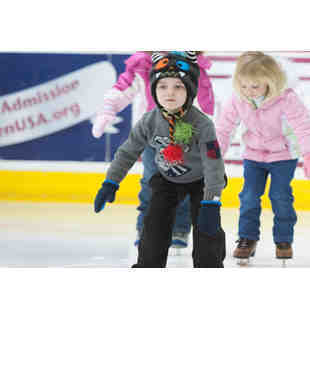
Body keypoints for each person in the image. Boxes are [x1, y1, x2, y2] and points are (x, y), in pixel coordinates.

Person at [93, 52, 227, 268]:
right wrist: (111, 181)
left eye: (178, 87)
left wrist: (212, 200)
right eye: (162, 86)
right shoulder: (149, 121)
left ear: (190, 90)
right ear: (153, 90)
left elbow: (214, 165)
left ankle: (209, 266)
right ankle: (148, 265)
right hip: (167, 178)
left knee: (207, 228)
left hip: (201, 181)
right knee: (154, 224)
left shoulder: (202, 124)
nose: (169, 93)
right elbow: (127, 152)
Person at [215, 52, 310, 264]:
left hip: (283, 155)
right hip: (253, 155)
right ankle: (247, 238)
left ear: (270, 82)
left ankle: (283, 240)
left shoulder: (287, 99)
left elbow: (303, 126)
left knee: (279, 196)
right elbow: (224, 128)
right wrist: (215, 157)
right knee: (249, 196)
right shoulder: (238, 99)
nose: (249, 91)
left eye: (255, 86)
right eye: (244, 85)